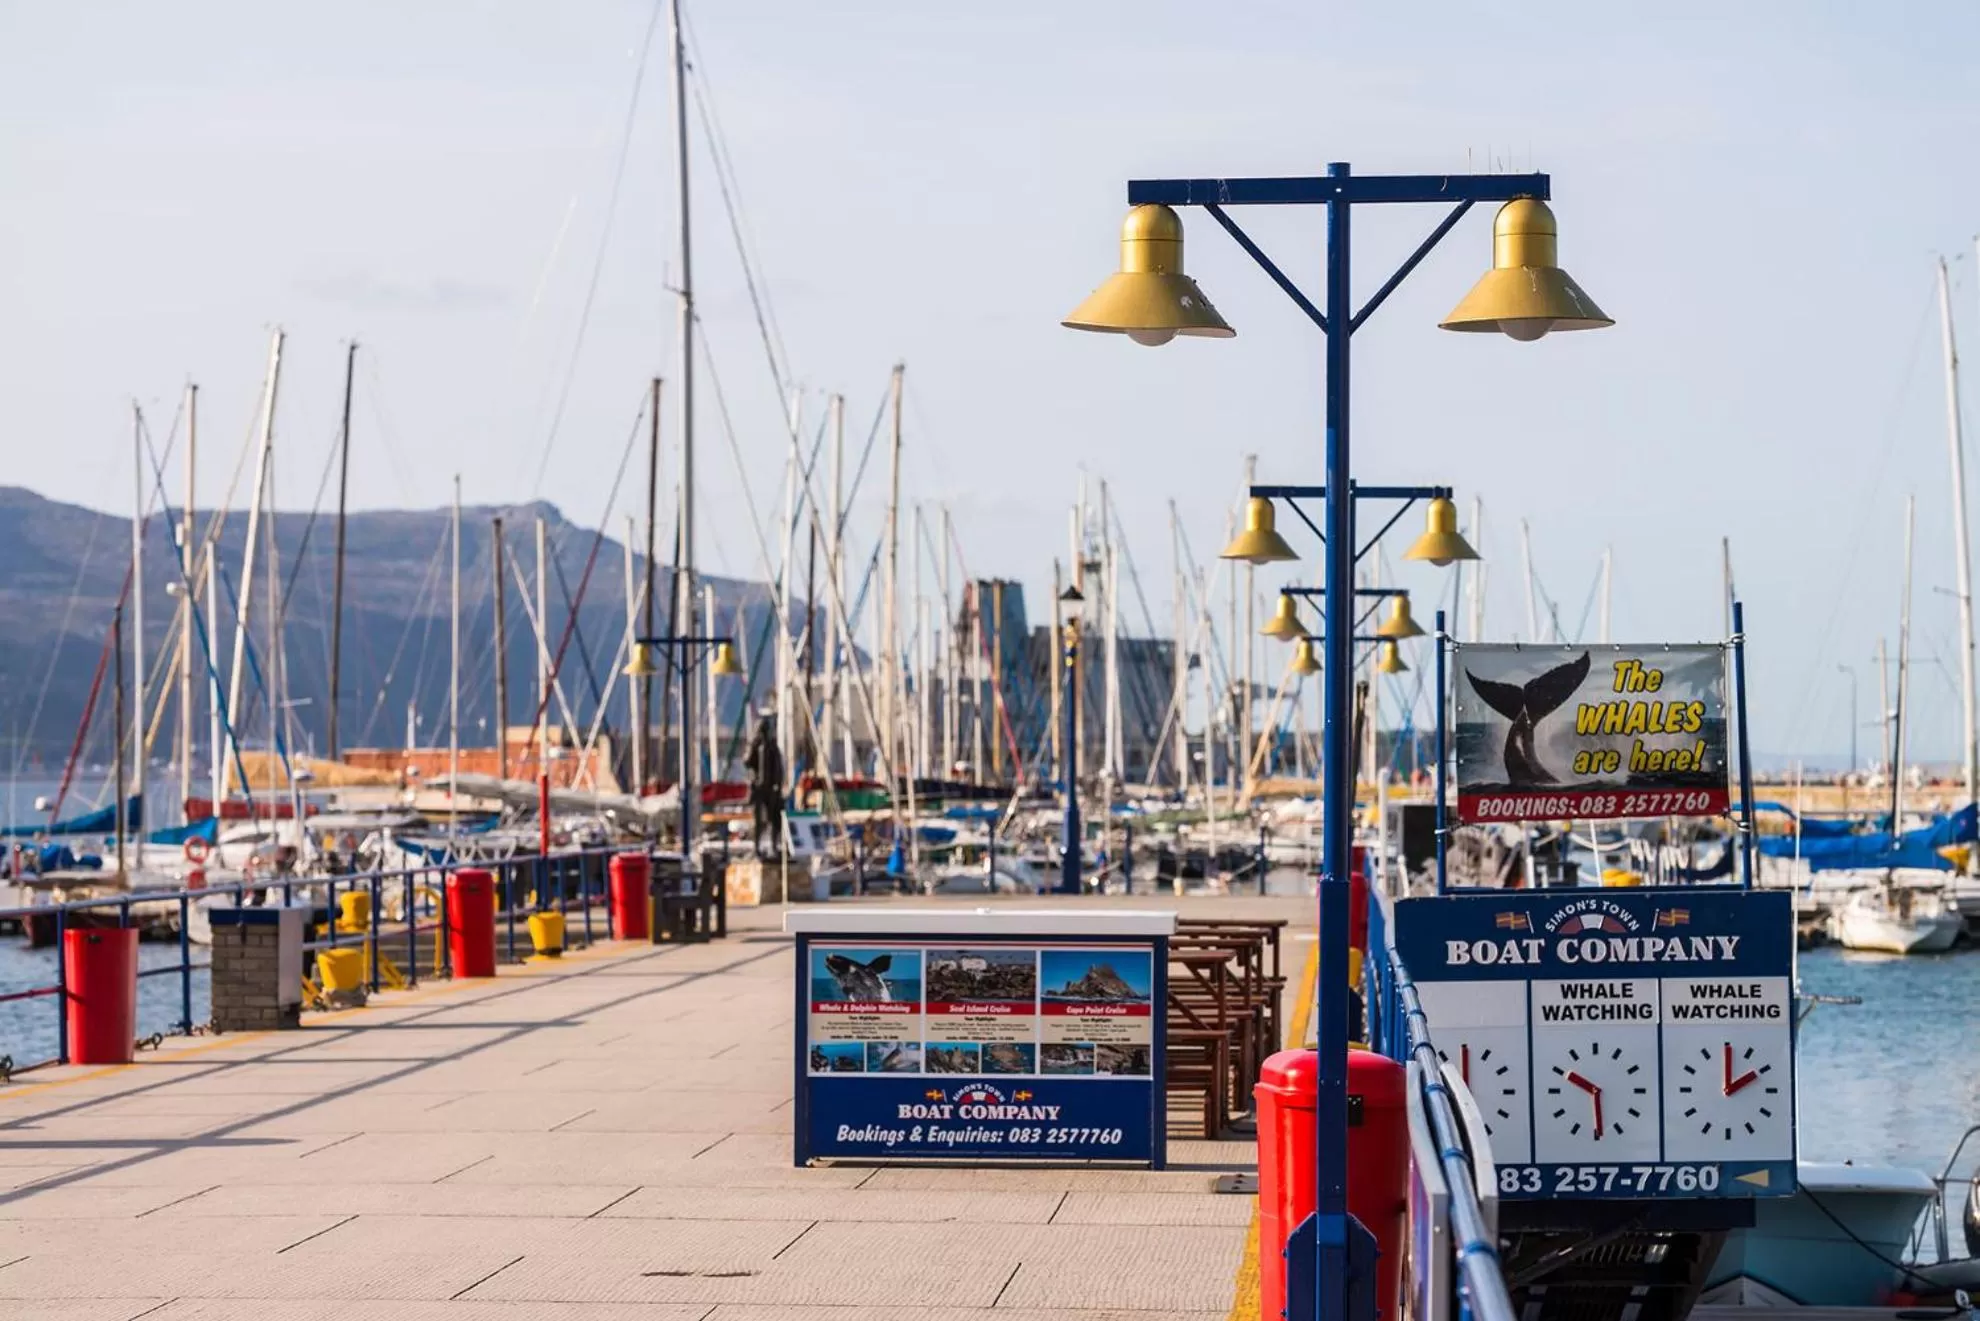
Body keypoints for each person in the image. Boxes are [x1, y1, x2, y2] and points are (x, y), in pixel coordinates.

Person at [743, 715, 785, 858]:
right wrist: (753, 746)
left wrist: (778, 785)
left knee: (775, 818)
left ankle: (774, 846)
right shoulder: (755, 746)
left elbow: (778, 767)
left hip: (771, 788)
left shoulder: (773, 746)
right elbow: (747, 762)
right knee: (758, 820)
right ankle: (756, 847)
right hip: (758, 787)